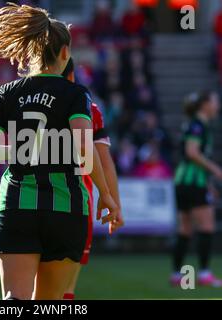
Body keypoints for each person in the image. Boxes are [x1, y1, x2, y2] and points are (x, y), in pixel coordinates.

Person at [0, 3, 121, 300]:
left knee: (14, 301)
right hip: (66, 208)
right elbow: (83, 146)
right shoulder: (77, 94)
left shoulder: (8, 92)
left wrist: (23, 150)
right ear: (65, 53)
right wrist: (105, 194)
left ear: (29, 52)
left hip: (17, 205)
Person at [61, 58, 123, 300]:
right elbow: (104, 162)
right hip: (75, 202)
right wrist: (113, 202)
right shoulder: (88, 108)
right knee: (64, 287)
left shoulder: (21, 99)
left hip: (26, 201)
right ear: (73, 74)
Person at [171, 91, 222, 287]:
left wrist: (208, 183)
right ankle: (204, 274)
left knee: (185, 228)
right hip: (193, 182)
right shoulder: (198, 125)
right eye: (215, 101)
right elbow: (191, 152)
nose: (217, 106)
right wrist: (216, 170)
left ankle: (177, 275)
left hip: (183, 181)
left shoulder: (196, 124)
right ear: (205, 105)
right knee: (206, 226)